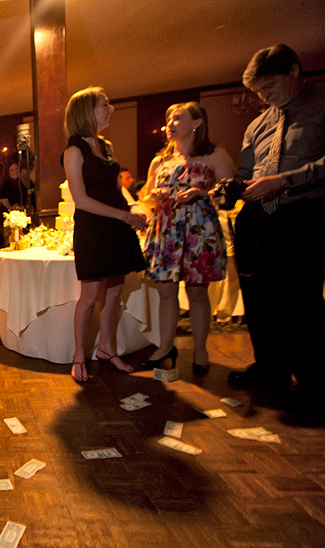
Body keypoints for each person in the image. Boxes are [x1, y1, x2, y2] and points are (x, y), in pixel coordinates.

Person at [227, 44, 325, 418]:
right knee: (259, 299)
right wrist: (229, 188)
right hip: (257, 217)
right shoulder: (257, 124)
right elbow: (247, 174)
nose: (265, 97)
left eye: (271, 86)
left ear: (294, 71)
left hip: (302, 213)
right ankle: (271, 367)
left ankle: (315, 385)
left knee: (300, 301)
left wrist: (284, 181)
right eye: (260, 92)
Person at [139, 102, 234, 374]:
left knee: (197, 292)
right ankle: (165, 346)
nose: (170, 124)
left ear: (197, 122)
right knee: (166, 291)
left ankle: (201, 349)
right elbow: (145, 194)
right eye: (168, 119)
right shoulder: (160, 160)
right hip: (166, 229)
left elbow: (230, 193)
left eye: (177, 118)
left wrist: (200, 193)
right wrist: (154, 195)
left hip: (199, 231)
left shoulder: (215, 155)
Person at [62, 87, 147, 382]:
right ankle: (78, 356)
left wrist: (135, 207)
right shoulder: (73, 151)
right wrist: (124, 215)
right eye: (105, 104)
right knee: (89, 297)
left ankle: (107, 351)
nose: (110, 108)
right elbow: (81, 199)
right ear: (87, 111)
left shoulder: (106, 145)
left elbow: (116, 187)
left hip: (117, 226)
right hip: (94, 228)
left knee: (113, 293)